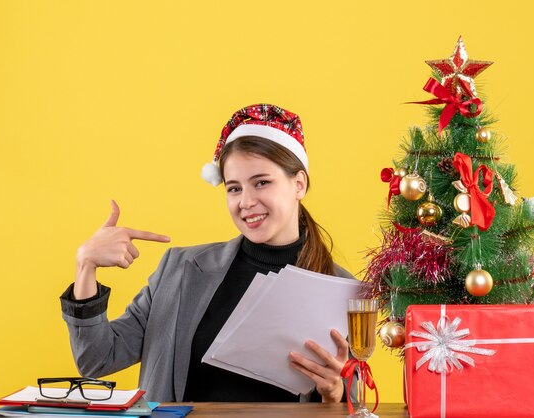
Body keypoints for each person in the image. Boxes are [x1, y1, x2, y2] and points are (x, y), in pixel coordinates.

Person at [60, 104, 356, 403]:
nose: (246, 201)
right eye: (234, 188)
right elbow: (97, 359)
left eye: (262, 182)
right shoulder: (181, 269)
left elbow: (355, 402)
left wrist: (335, 392)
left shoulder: (338, 289)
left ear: (299, 184)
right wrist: (86, 266)